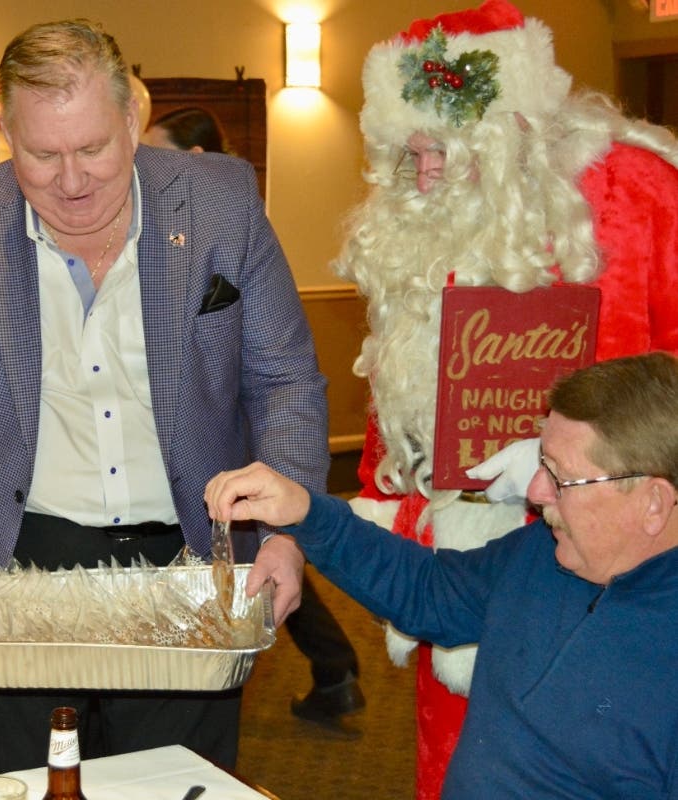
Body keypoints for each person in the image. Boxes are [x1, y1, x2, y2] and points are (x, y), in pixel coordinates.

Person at [0, 18, 328, 774]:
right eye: (41, 155)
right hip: (10, 570)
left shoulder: (221, 202)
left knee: (175, 783)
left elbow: (284, 381)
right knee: (23, 786)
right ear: (7, 135)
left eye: (93, 149)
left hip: (187, 561)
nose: (71, 181)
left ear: (133, 122)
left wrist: (286, 532)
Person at [331, 1, 678, 794]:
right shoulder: (417, 223)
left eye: (438, 151)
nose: (418, 176)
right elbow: (396, 380)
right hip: (462, 560)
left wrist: (576, 458)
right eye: (404, 153)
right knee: (463, 762)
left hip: (624, 570)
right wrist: (386, 494)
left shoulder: (633, 194)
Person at [206, 351, 678, 800]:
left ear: (653, 504)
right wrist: (306, 511)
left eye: (560, 477)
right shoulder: (543, 551)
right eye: (541, 464)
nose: (535, 493)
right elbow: (427, 592)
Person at [145, 103, 365, 736]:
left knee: (262, 553)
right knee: (267, 555)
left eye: (158, 154)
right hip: (219, 465)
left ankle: (335, 665)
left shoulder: (236, 226)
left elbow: (278, 368)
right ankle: (335, 666)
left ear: (192, 160)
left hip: (238, 445)